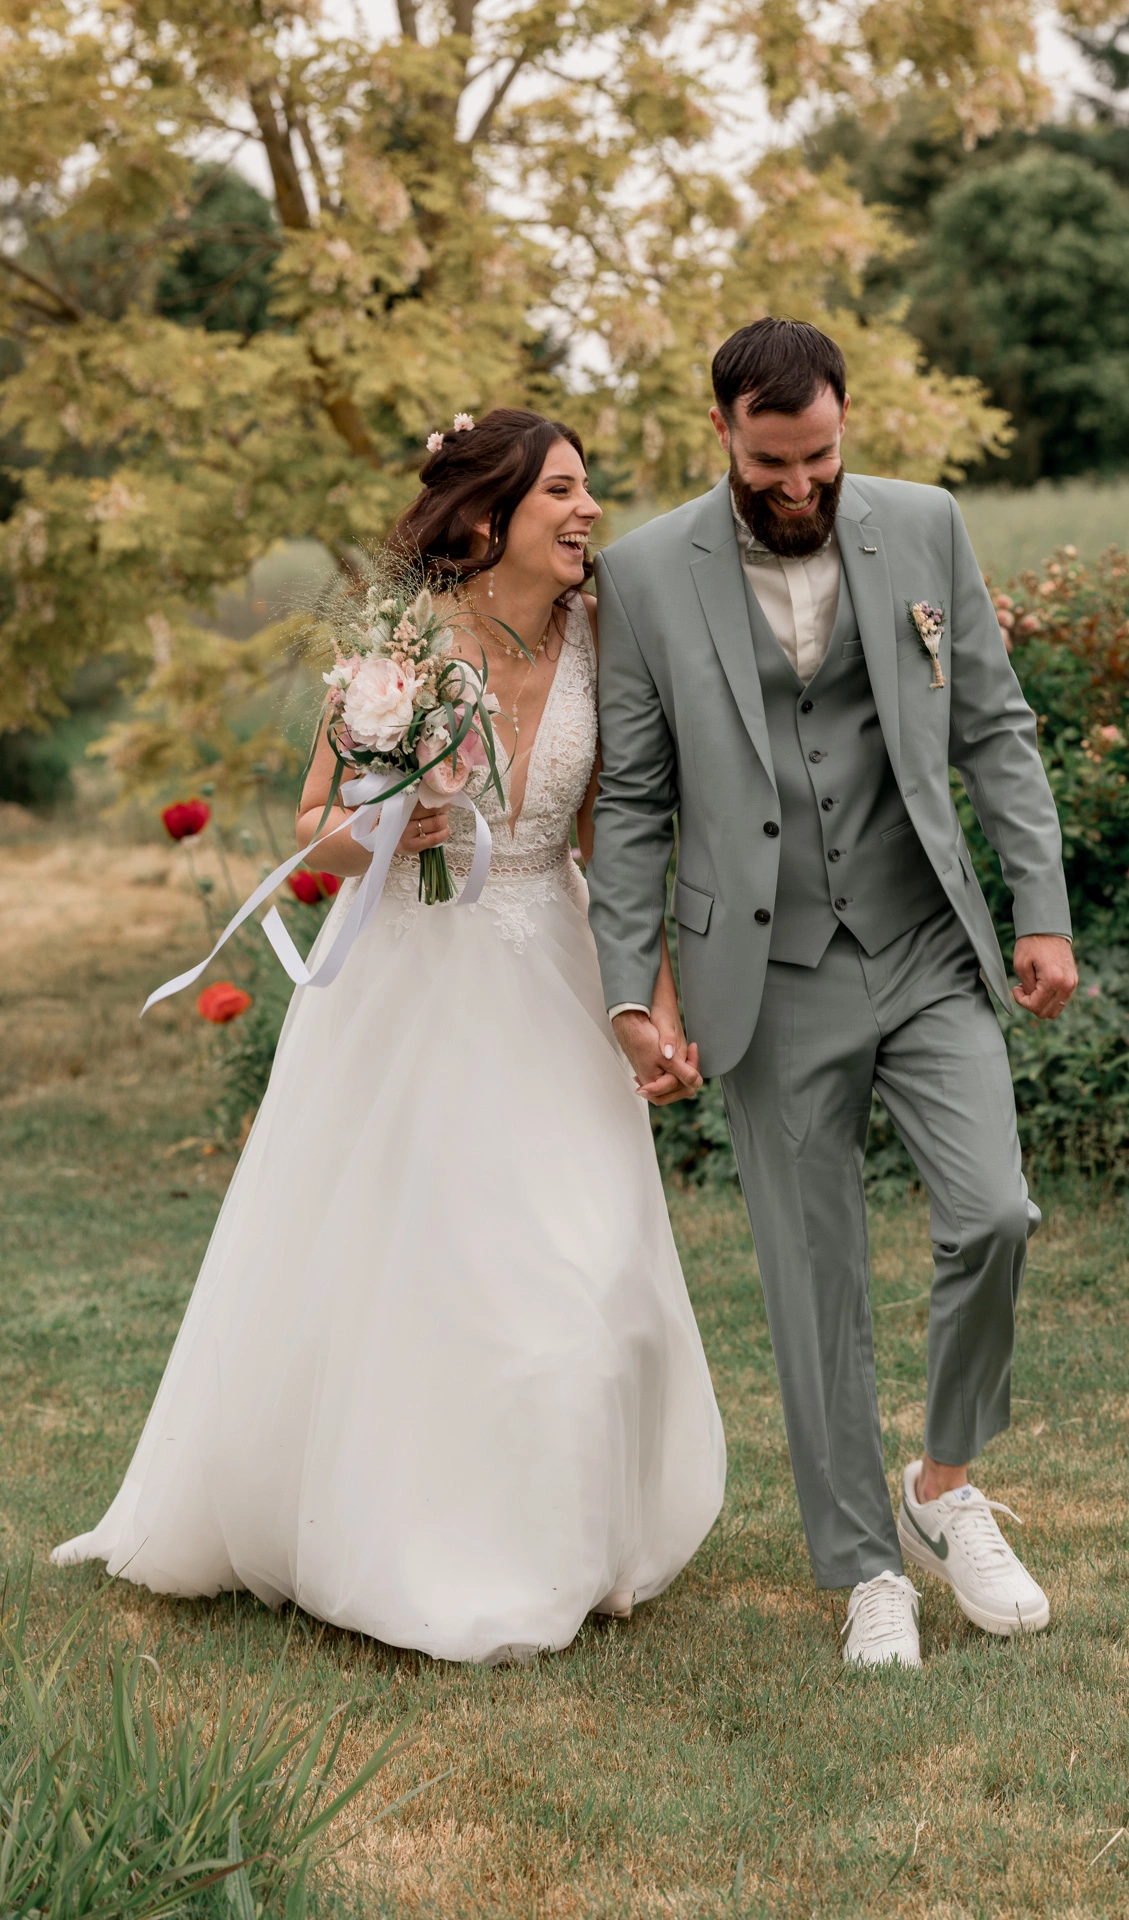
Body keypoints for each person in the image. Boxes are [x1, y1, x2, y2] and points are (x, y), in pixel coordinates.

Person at [53, 408, 725, 1664]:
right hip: (418, 981)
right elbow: (315, 821)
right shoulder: (399, 652)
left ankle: (580, 1535)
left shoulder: (601, 636)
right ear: (488, 517)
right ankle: (434, 1544)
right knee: (445, 1274)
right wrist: (393, 828)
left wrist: (654, 1009)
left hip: (558, 973)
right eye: (562, 493)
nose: (589, 513)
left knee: (598, 1266)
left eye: (590, 491)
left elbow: (612, 848)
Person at [588, 320, 1077, 1669]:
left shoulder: (922, 527)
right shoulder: (639, 575)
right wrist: (630, 989)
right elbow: (631, 800)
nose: (796, 486)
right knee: (813, 1287)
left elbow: (992, 725)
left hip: (923, 945)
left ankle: (942, 1487)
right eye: (767, 463)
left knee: (994, 1213)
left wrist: (1039, 911)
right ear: (722, 436)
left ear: (845, 424)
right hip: (766, 970)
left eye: (817, 457)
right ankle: (866, 1570)